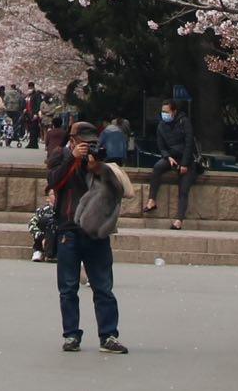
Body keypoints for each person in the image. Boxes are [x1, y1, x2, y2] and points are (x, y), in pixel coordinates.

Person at [44, 124, 129, 353]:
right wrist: (72, 160)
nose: (87, 146)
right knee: (68, 288)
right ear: (72, 141)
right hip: (68, 229)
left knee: (103, 287)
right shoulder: (61, 156)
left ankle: (108, 335)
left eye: (91, 142)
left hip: (96, 231)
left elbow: (118, 191)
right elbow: (53, 181)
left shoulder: (102, 159)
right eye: (83, 142)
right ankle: (71, 335)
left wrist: (99, 168)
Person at [145, 89, 200, 223]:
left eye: (167, 112)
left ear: (174, 112)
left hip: (186, 159)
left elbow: (189, 144)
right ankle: (151, 200)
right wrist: (167, 157)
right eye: (163, 112)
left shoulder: (184, 122)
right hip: (172, 157)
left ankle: (179, 220)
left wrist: (185, 164)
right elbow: (161, 146)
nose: (164, 114)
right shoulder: (161, 126)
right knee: (157, 168)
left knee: (183, 188)